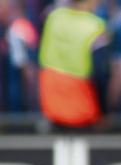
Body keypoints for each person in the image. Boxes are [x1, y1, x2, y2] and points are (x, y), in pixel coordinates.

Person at [38, 0, 108, 128]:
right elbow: (101, 74)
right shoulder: (96, 26)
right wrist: (104, 111)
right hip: (82, 108)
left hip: (51, 105)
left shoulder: (54, 18)